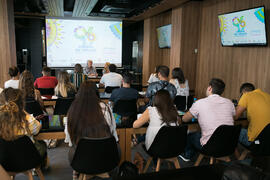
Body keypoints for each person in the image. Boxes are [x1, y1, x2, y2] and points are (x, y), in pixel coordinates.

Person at [181, 78, 235, 161]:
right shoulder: (230, 103)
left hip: (210, 147)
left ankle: (187, 155)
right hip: (228, 145)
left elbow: (184, 119)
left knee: (190, 135)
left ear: (210, 88)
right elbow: (232, 116)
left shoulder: (199, 103)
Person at [67, 81, 118, 162]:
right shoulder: (105, 108)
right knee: (118, 149)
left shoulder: (73, 109)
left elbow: (69, 137)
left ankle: (76, 172)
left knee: (72, 150)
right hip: (104, 154)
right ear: (96, 92)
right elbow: (112, 131)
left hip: (80, 158)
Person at [132, 90, 179, 171]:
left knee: (134, 147)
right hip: (174, 148)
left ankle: (143, 162)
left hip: (156, 149)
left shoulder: (151, 110)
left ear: (155, 99)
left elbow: (135, 125)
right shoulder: (174, 111)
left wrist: (148, 120)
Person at [0, 88, 48, 167]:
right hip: (28, 160)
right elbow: (37, 128)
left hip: (5, 161)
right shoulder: (30, 122)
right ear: (22, 104)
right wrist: (24, 112)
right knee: (42, 144)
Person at [235, 83, 270, 147]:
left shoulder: (246, 95)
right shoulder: (268, 96)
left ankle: (237, 156)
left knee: (234, 130)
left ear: (243, 92)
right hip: (268, 141)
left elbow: (235, 116)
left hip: (257, 142)